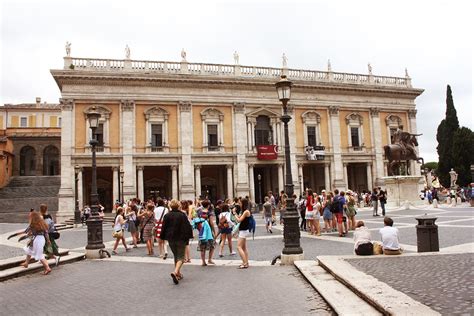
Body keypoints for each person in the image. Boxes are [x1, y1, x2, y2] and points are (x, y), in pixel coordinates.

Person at [160, 199, 194, 285]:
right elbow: (187, 227)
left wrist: (162, 237)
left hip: (171, 238)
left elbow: (163, 227)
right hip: (181, 238)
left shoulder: (167, 215)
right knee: (181, 258)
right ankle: (175, 272)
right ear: (178, 205)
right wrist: (189, 236)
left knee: (176, 255)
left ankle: (178, 274)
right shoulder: (182, 215)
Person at [192, 200, 216, 266]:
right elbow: (211, 223)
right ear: (208, 205)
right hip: (209, 231)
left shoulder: (199, 212)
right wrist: (214, 231)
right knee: (212, 245)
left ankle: (203, 261)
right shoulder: (209, 212)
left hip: (201, 230)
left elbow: (196, 220)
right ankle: (209, 259)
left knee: (202, 246)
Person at [232, 198, 251, 269]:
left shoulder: (246, 211)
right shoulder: (244, 211)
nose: (239, 204)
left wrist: (234, 214)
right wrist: (235, 213)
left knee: (238, 247)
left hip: (244, 231)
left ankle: (245, 263)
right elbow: (238, 218)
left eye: (240, 203)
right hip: (243, 230)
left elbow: (239, 220)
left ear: (243, 203)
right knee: (244, 248)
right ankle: (246, 262)